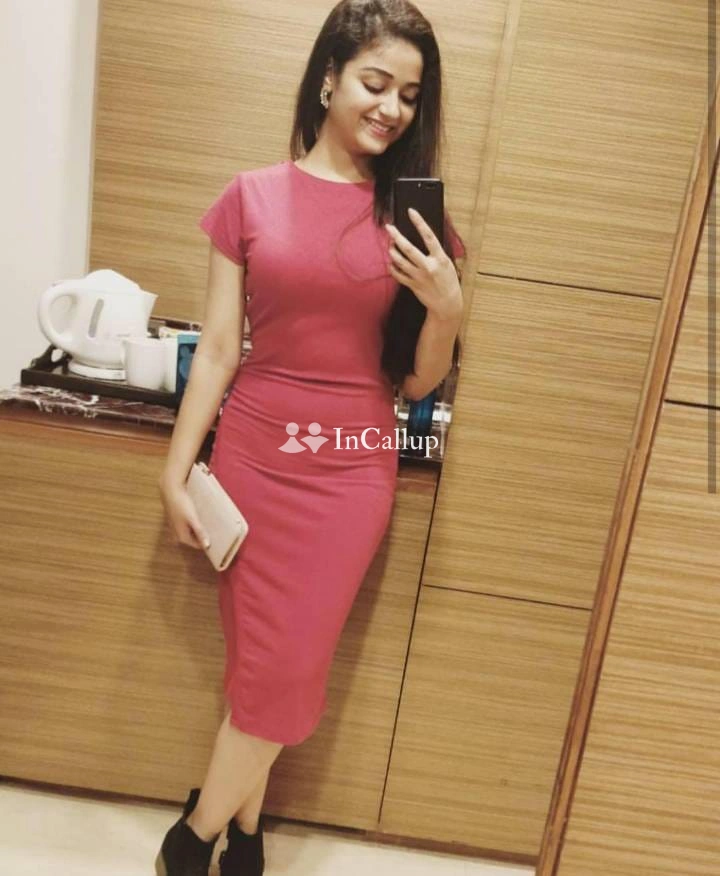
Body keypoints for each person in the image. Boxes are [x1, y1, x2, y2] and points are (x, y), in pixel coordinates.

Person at [155, 1, 466, 873]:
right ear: (329, 77)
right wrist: (176, 472)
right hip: (253, 460)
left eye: (410, 94)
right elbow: (220, 350)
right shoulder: (249, 197)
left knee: (290, 666)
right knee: (260, 663)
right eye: (376, 82)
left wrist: (446, 309)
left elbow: (416, 383)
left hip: (352, 476)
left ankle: (192, 839)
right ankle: (247, 832)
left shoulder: (413, 221)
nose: (392, 108)